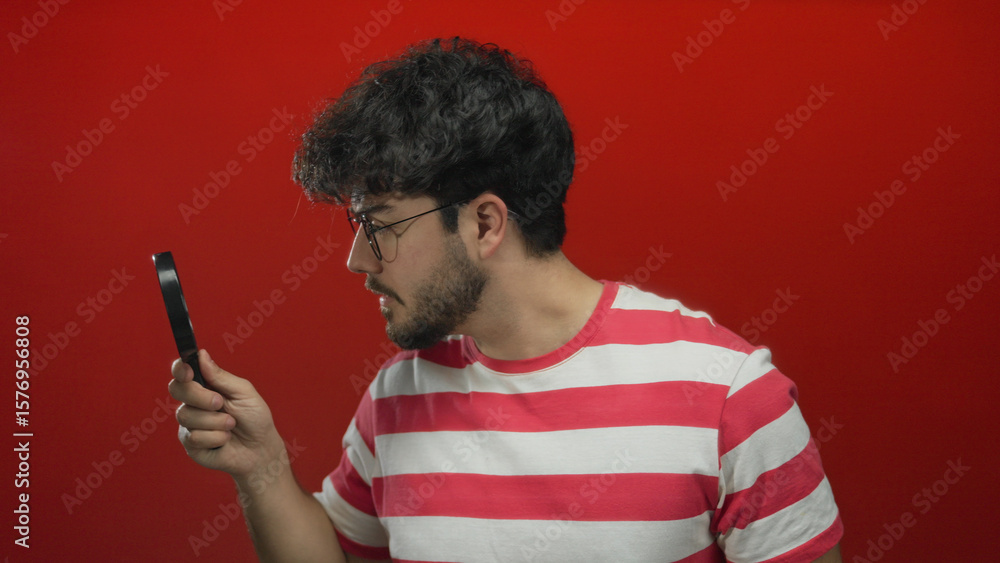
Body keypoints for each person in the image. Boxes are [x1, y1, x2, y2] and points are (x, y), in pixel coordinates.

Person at [169, 37, 844, 562]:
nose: (357, 261)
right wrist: (262, 468)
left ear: (486, 223)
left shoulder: (730, 397)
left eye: (378, 225)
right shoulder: (397, 396)